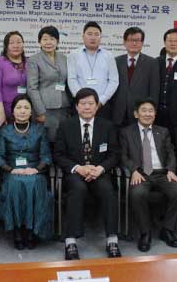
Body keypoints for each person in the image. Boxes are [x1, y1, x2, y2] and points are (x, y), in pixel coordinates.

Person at [54, 88, 121, 260]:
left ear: (97, 106)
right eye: (83, 104)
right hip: (76, 172)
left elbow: (114, 154)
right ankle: (71, 241)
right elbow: (58, 154)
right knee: (78, 189)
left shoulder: (107, 126)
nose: (87, 107)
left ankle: (112, 239)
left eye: (91, 104)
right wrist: (78, 168)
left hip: (99, 171)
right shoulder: (66, 125)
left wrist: (100, 168)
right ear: (76, 107)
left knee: (108, 190)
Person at [119, 98, 177, 252]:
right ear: (136, 114)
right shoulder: (126, 132)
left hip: (162, 173)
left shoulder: (163, 131)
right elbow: (122, 155)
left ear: (155, 114)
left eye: (151, 111)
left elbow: (171, 153)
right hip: (141, 173)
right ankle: (145, 232)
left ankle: (167, 230)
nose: (147, 114)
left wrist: (170, 169)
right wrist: (133, 169)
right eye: (144, 110)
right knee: (137, 193)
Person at [0, 95, 54, 249]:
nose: (22, 111)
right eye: (19, 107)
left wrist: (35, 169)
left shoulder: (39, 130)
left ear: (31, 111)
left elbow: (46, 157)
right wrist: (12, 170)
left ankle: (33, 230)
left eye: (26, 108)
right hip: (11, 172)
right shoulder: (4, 131)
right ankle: (18, 231)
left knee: (35, 183)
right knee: (16, 183)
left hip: (35, 172)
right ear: (12, 111)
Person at [26, 26, 71, 143]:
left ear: (58, 41)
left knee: (62, 139)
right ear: (39, 42)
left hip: (64, 107)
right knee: (48, 140)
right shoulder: (34, 60)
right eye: (44, 39)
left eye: (52, 39)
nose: (48, 42)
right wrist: (40, 111)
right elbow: (32, 88)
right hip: (46, 108)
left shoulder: (64, 58)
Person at [67, 22, 119, 119]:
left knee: (102, 132)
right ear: (83, 36)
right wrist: (83, 101)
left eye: (96, 34)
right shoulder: (73, 55)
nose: (93, 37)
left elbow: (114, 81)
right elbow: (72, 79)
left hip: (102, 105)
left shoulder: (109, 56)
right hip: (80, 105)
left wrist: (101, 100)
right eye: (89, 34)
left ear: (100, 37)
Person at [113, 27, 160, 127]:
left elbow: (154, 91)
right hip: (118, 114)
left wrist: (151, 112)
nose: (134, 43)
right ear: (124, 42)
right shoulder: (115, 62)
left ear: (142, 43)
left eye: (137, 40)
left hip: (141, 114)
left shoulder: (152, 63)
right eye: (130, 40)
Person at [0, 31, 27, 128]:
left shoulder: (28, 62)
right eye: (12, 43)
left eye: (19, 42)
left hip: (25, 113)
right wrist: (1, 112)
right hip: (6, 112)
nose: (16, 45)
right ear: (6, 46)